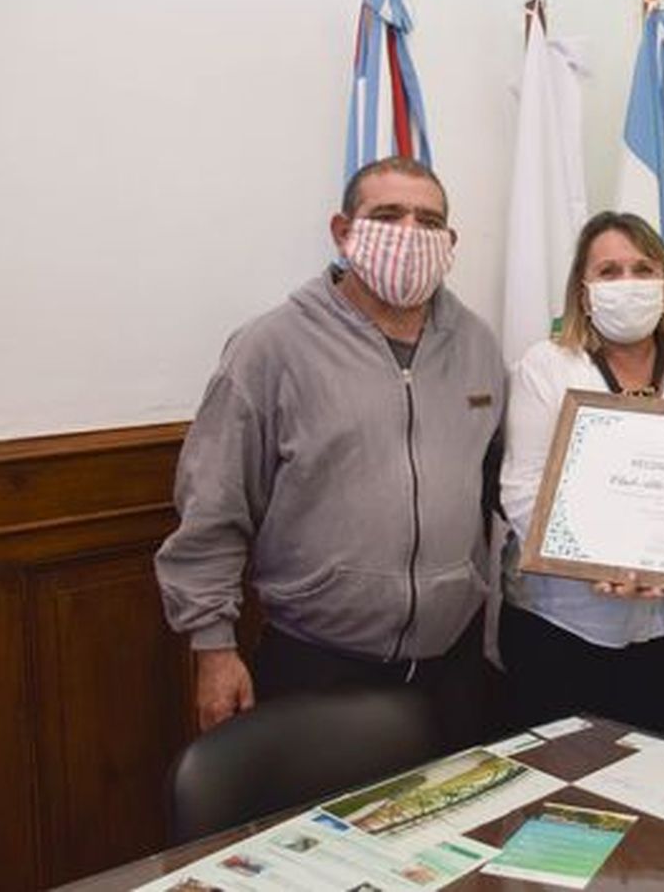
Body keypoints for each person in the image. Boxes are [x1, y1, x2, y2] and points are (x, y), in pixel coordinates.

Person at [154, 156, 503, 749]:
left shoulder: (476, 344)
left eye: (429, 220)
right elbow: (212, 509)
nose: (409, 234)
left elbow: (497, 482)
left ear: (450, 242)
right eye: (388, 215)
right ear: (344, 231)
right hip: (318, 665)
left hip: (452, 664)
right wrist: (213, 648)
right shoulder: (271, 348)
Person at [498, 211, 664, 734]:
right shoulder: (547, 366)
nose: (629, 283)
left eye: (643, 269)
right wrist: (595, 561)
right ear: (584, 289)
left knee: (651, 779)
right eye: (610, 271)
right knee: (559, 788)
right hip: (563, 625)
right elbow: (523, 490)